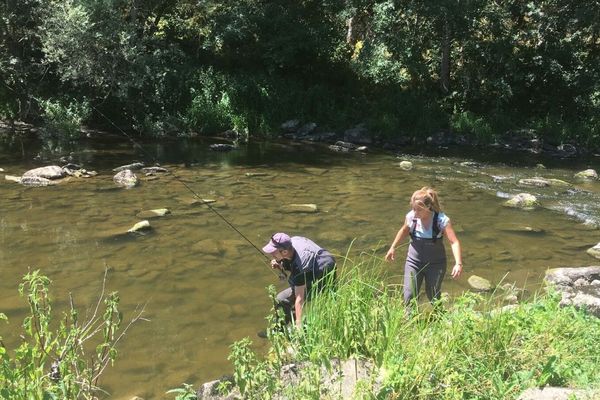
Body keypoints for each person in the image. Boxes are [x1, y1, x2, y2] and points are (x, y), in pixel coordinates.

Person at [385, 187, 462, 306]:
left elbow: (454, 242)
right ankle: (409, 321)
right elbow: (404, 230)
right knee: (409, 294)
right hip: (413, 262)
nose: (415, 213)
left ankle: (439, 317)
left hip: (436, 264)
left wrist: (458, 263)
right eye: (413, 209)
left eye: (418, 210)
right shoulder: (411, 217)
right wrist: (393, 247)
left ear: (428, 207)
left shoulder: (441, 220)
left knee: (433, 294)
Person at [262, 233, 336, 329]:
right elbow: (291, 258)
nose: (271, 254)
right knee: (288, 295)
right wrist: (280, 263)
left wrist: (298, 323)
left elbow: (299, 299)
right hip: (323, 260)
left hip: (321, 272)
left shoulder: (300, 267)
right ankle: (286, 324)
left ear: (284, 252)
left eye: (273, 252)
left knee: (281, 299)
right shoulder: (292, 241)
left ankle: (292, 328)